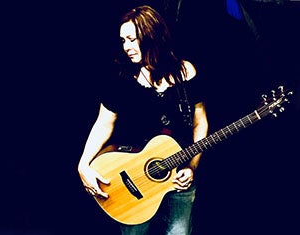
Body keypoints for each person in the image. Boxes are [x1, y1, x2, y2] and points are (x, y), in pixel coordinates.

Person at [77, 5, 209, 235]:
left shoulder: (185, 72)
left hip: (179, 175)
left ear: (151, 35)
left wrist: (192, 167)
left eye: (131, 39)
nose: (126, 47)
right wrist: (83, 165)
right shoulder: (121, 77)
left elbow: (200, 122)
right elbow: (103, 123)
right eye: (123, 41)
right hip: (133, 177)